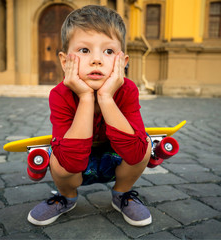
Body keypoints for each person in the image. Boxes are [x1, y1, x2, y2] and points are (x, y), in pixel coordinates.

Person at [28, 5, 152, 227]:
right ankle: (66, 197)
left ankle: (121, 194)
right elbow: (70, 161)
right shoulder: (60, 95)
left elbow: (134, 153)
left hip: (116, 157)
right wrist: (85, 97)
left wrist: (106, 97)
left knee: (145, 148)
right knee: (57, 161)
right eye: (84, 50)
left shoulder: (128, 90)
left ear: (123, 63)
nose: (97, 60)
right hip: (76, 162)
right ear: (65, 62)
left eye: (108, 51)